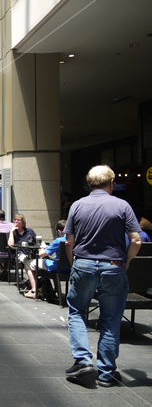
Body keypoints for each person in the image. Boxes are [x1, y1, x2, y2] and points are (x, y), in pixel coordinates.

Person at [64, 165, 141, 387]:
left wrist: (74, 264)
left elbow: (69, 241)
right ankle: (107, 373)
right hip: (113, 266)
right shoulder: (122, 205)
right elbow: (136, 240)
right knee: (111, 319)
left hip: (83, 265)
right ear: (111, 183)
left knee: (77, 311)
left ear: (89, 183)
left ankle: (83, 359)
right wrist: (126, 260)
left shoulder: (77, 205)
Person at [7, 213, 39, 298]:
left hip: (31, 252)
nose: (16, 221)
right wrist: (11, 232)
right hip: (20, 253)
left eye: (18, 220)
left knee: (40, 261)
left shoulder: (30, 231)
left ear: (23, 222)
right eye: (15, 220)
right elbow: (11, 245)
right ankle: (34, 289)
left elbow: (38, 241)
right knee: (27, 263)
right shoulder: (13, 233)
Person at [38, 219, 68, 298]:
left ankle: (34, 290)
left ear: (59, 231)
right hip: (70, 268)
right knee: (54, 261)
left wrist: (42, 248)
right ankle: (57, 290)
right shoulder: (75, 240)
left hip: (57, 268)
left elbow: (42, 254)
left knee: (34, 263)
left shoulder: (58, 240)